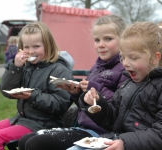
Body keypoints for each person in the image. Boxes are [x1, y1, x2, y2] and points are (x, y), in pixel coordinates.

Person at [18, 14, 128, 150]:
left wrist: (94, 89)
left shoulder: (125, 67)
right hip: (83, 126)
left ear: (124, 39)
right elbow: (85, 105)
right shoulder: (96, 67)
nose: (101, 45)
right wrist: (76, 93)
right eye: (97, 40)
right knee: (24, 140)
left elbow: (122, 105)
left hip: (102, 133)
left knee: (34, 144)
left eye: (108, 39)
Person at [78, 19, 162, 150]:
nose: (125, 64)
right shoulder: (129, 83)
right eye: (123, 57)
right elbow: (112, 119)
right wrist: (97, 103)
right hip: (118, 141)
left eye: (133, 58)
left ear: (155, 58)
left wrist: (126, 143)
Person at [0, 21, 73, 150]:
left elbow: (61, 103)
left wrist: (32, 95)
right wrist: (15, 67)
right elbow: (6, 90)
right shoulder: (26, 67)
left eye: (36, 46)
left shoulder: (59, 70)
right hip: (21, 119)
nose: (31, 51)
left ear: (48, 46)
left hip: (45, 124)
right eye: (26, 47)